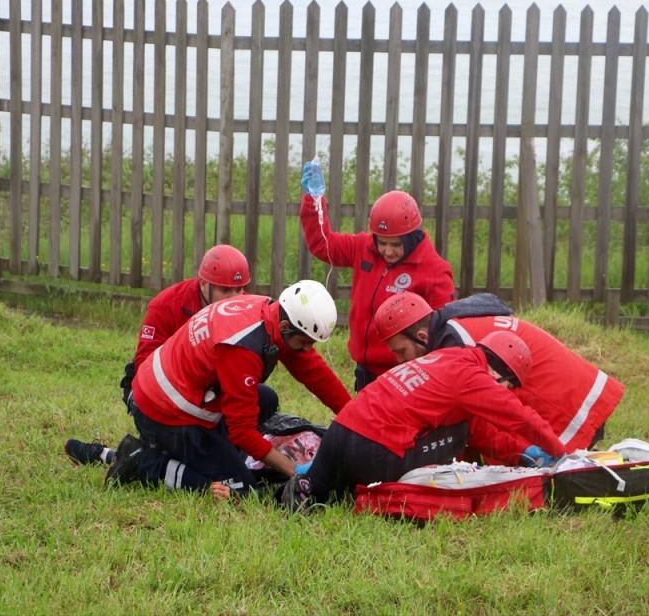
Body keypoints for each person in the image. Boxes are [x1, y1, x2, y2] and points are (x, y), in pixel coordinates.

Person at [105, 280, 352, 498]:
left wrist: (353, 416)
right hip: (163, 412)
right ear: (286, 325)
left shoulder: (271, 313)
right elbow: (242, 432)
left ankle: (200, 452)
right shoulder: (242, 348)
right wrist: (293, 471)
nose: (309, 349)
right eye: (306, 342)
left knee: (264, 399)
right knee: (239, 487)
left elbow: (314, 372)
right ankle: (141, 459)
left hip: (179, 391)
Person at [278, 330, 567, 509]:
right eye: (507, 387)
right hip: (375, 450)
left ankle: (307, 485)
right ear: (498, 375)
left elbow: (488, 432)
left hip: (340, 432)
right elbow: (517, 417)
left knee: (323, 491)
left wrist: (520, 452)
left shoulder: (446, 358)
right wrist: (558, 451)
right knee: (461, 431)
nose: (503, 393)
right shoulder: (474, 378)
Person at [373, 291, 625, 464]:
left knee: (565, 473)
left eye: (401, 351)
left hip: (562, 400)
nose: (399, 361)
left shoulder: (454, 345)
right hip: (574, 386)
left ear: (422, 336)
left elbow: (478, 417)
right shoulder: (451, 325)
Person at [64, 244, 258, 466]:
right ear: (204, 284)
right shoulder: (166, 304)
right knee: (199, 453)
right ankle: (125, 457)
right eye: (225, 291)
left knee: (265, 399)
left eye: (240, 289)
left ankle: (125, 455)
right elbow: (144, 364)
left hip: (211, 392)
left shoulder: (245, 307)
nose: (234, 298)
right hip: (159, 390)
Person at [299, 162, 455, 391]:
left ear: (411, 238)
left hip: (405, 372)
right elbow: (323, 245)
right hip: (365, 369)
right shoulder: (363, 247)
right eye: (382, 243)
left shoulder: (434, 270)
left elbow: (442, 329)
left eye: (396, 244)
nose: (388, 251)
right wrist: (314, 201)